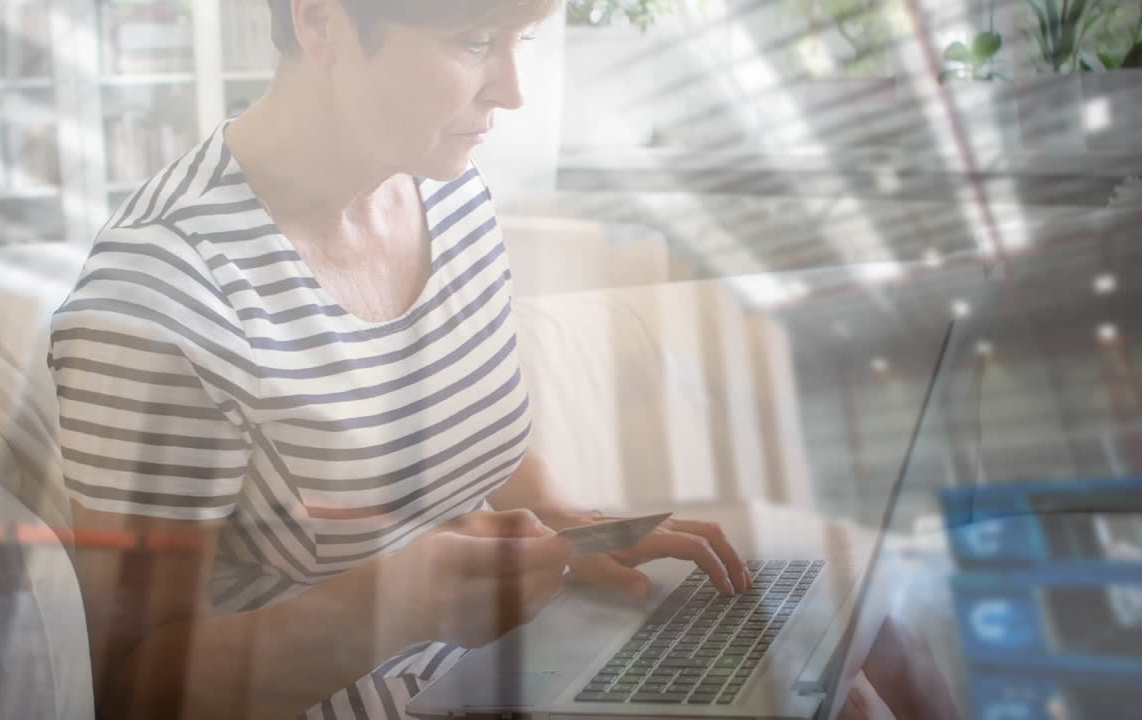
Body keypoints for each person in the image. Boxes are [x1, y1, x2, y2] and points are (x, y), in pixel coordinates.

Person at [49, 1, 954, 718]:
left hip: (510, 656)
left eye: (523, 35)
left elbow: (483, 444)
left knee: (875, 639)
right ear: (319, 19)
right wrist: (387, 606)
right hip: (365, 698)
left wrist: (580, 527)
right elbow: (130, 689)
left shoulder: (442, 189)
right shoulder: (161, 298)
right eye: (475, 38)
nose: (514, 90)